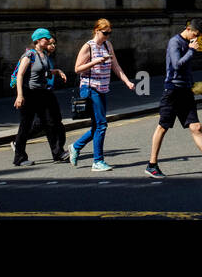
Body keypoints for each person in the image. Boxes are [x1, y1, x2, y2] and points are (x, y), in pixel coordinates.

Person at [146, 19, 202, 178]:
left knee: (196, 127)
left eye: (198, 36)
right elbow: (177, 64)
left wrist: (192, 84)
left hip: (185, 91)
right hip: (172, 91)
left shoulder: (187, 42)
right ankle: (152, 165)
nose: (197, 38)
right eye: (196, 34)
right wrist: (191, 51)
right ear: (188, 29)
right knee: (162, 127)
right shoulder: (175, 42)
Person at [70, 18, 136, 172]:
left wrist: (127, 82)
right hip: (90, 87)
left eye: (109, 33)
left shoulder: (107, 45)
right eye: (105, 33)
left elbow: (116, 66)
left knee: (97, 125)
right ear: (97, 30)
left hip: (102, 88)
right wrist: (96, 61)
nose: (107, 36)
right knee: (101, 125)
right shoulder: (88, 47)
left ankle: (75, 146)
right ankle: (97, 161)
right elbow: (77, 69)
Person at [11, 28, 70, 166]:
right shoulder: (29, 55)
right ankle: (19, 157)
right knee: (25, 126)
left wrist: (57, 71)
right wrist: (20, 95)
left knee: (49, 123)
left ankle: (58, 153)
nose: (49, 40)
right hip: (29, 94)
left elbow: (43, 72)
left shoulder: (43, 54)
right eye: (46, 38)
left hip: (42, 93)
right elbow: (20, 75)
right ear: (37, 40)